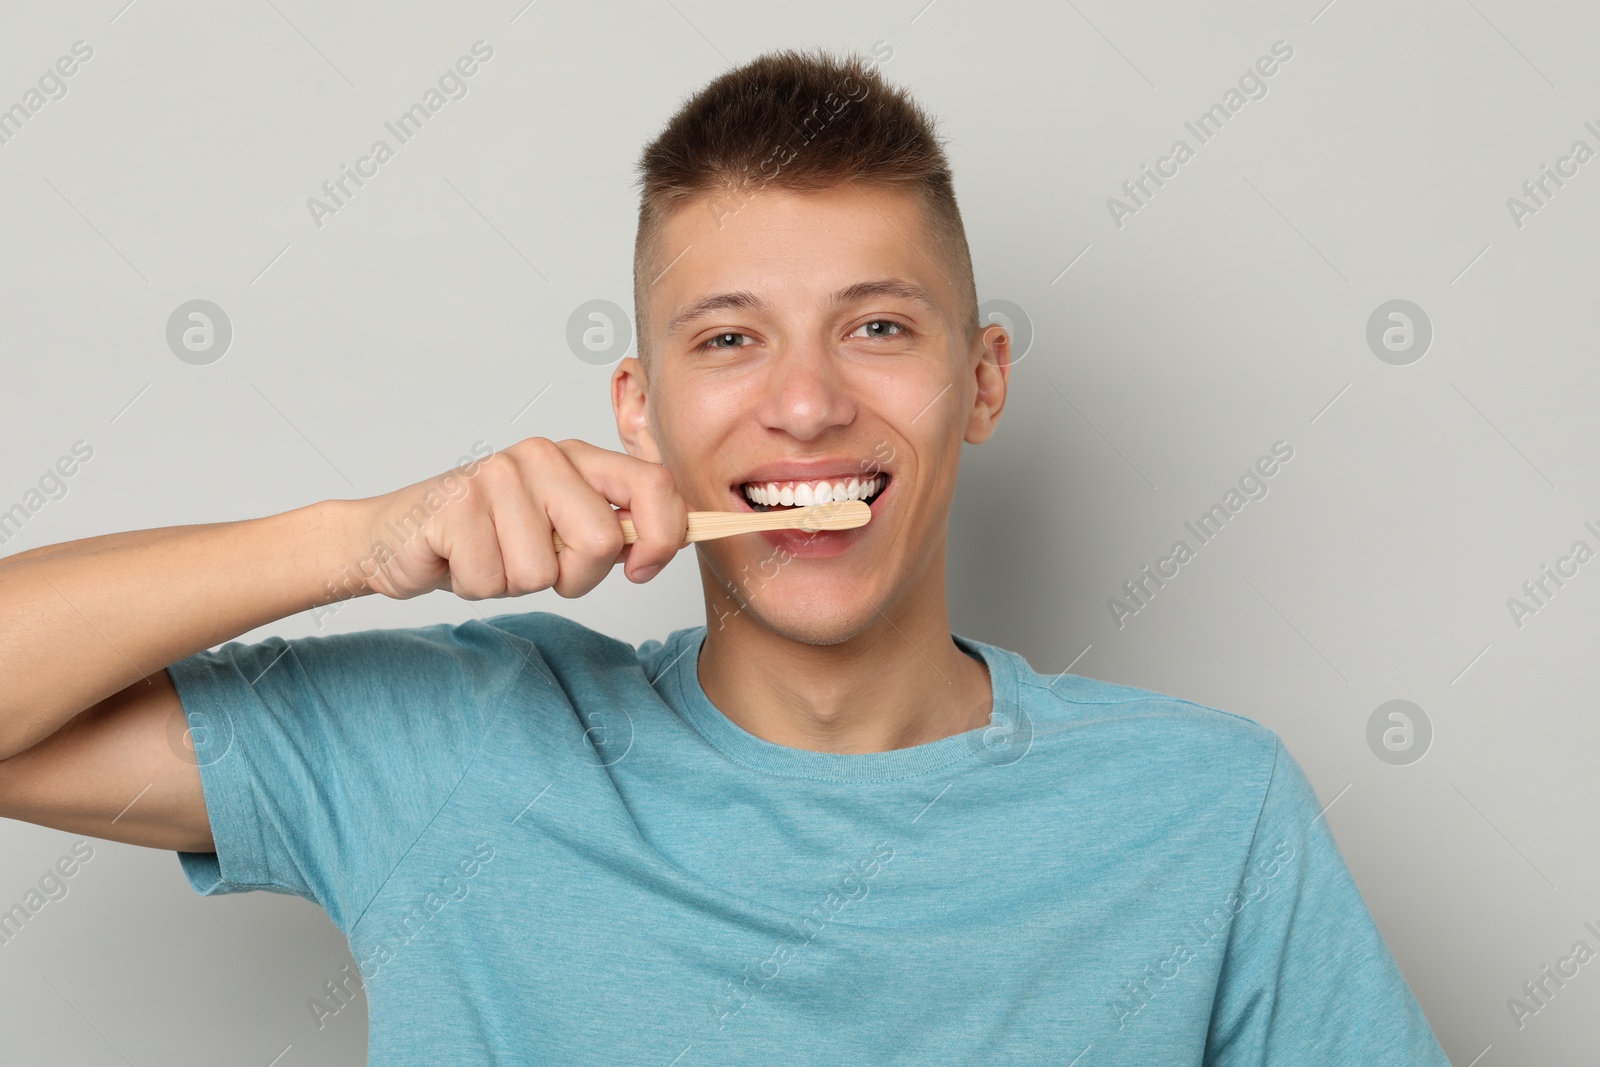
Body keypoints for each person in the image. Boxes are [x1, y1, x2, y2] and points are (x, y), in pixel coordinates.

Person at [0, 48, 1450, 1065]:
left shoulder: (1210, 814)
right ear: (641, 410)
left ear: (985, 378)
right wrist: (355, 543)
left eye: (879, 327)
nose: (809, 402)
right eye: (729, 340)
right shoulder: (458, 745)